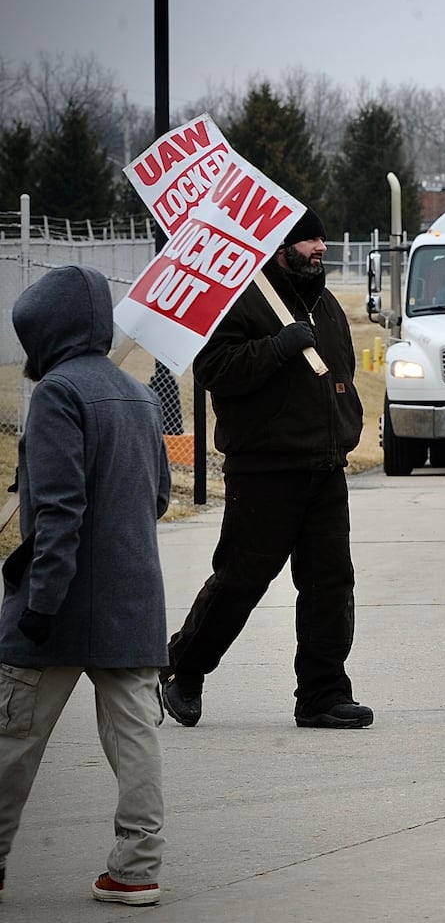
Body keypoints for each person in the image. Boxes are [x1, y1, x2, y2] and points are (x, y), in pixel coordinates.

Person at [161, 208, 372, 730]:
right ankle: (183, 669)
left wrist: (348, 421)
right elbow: (215, 372)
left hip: (325, 469)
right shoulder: (241, 301)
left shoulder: (325, 306)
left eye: (322, 238)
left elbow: (339, 372)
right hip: (264, 471)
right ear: (279, 249)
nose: (320, 248)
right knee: (241, 581)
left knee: (330, 585)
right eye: (308, 241)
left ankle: (322, 694)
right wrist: (277, 346)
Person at [0, 265, 170, 906]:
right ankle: (137, 869)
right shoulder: (140, 396)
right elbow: (155, 496)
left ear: (46, 332)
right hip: (133, 604)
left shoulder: (56, 395)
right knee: (136, 743)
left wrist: (40, 602)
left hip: (58, 604)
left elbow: (59, 512)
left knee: (12, 738)